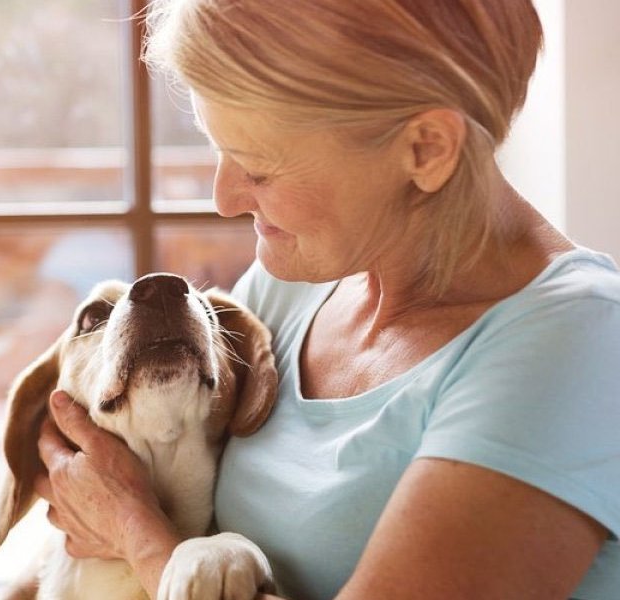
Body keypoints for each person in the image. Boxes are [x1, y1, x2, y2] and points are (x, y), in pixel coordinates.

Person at [32, 1, 620, 598]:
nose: (225, 198)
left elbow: (134, 518)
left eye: (259, 168)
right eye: (218, 149)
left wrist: (138, 533)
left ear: (426, 149)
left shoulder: (577, 345)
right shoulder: (288, 287)